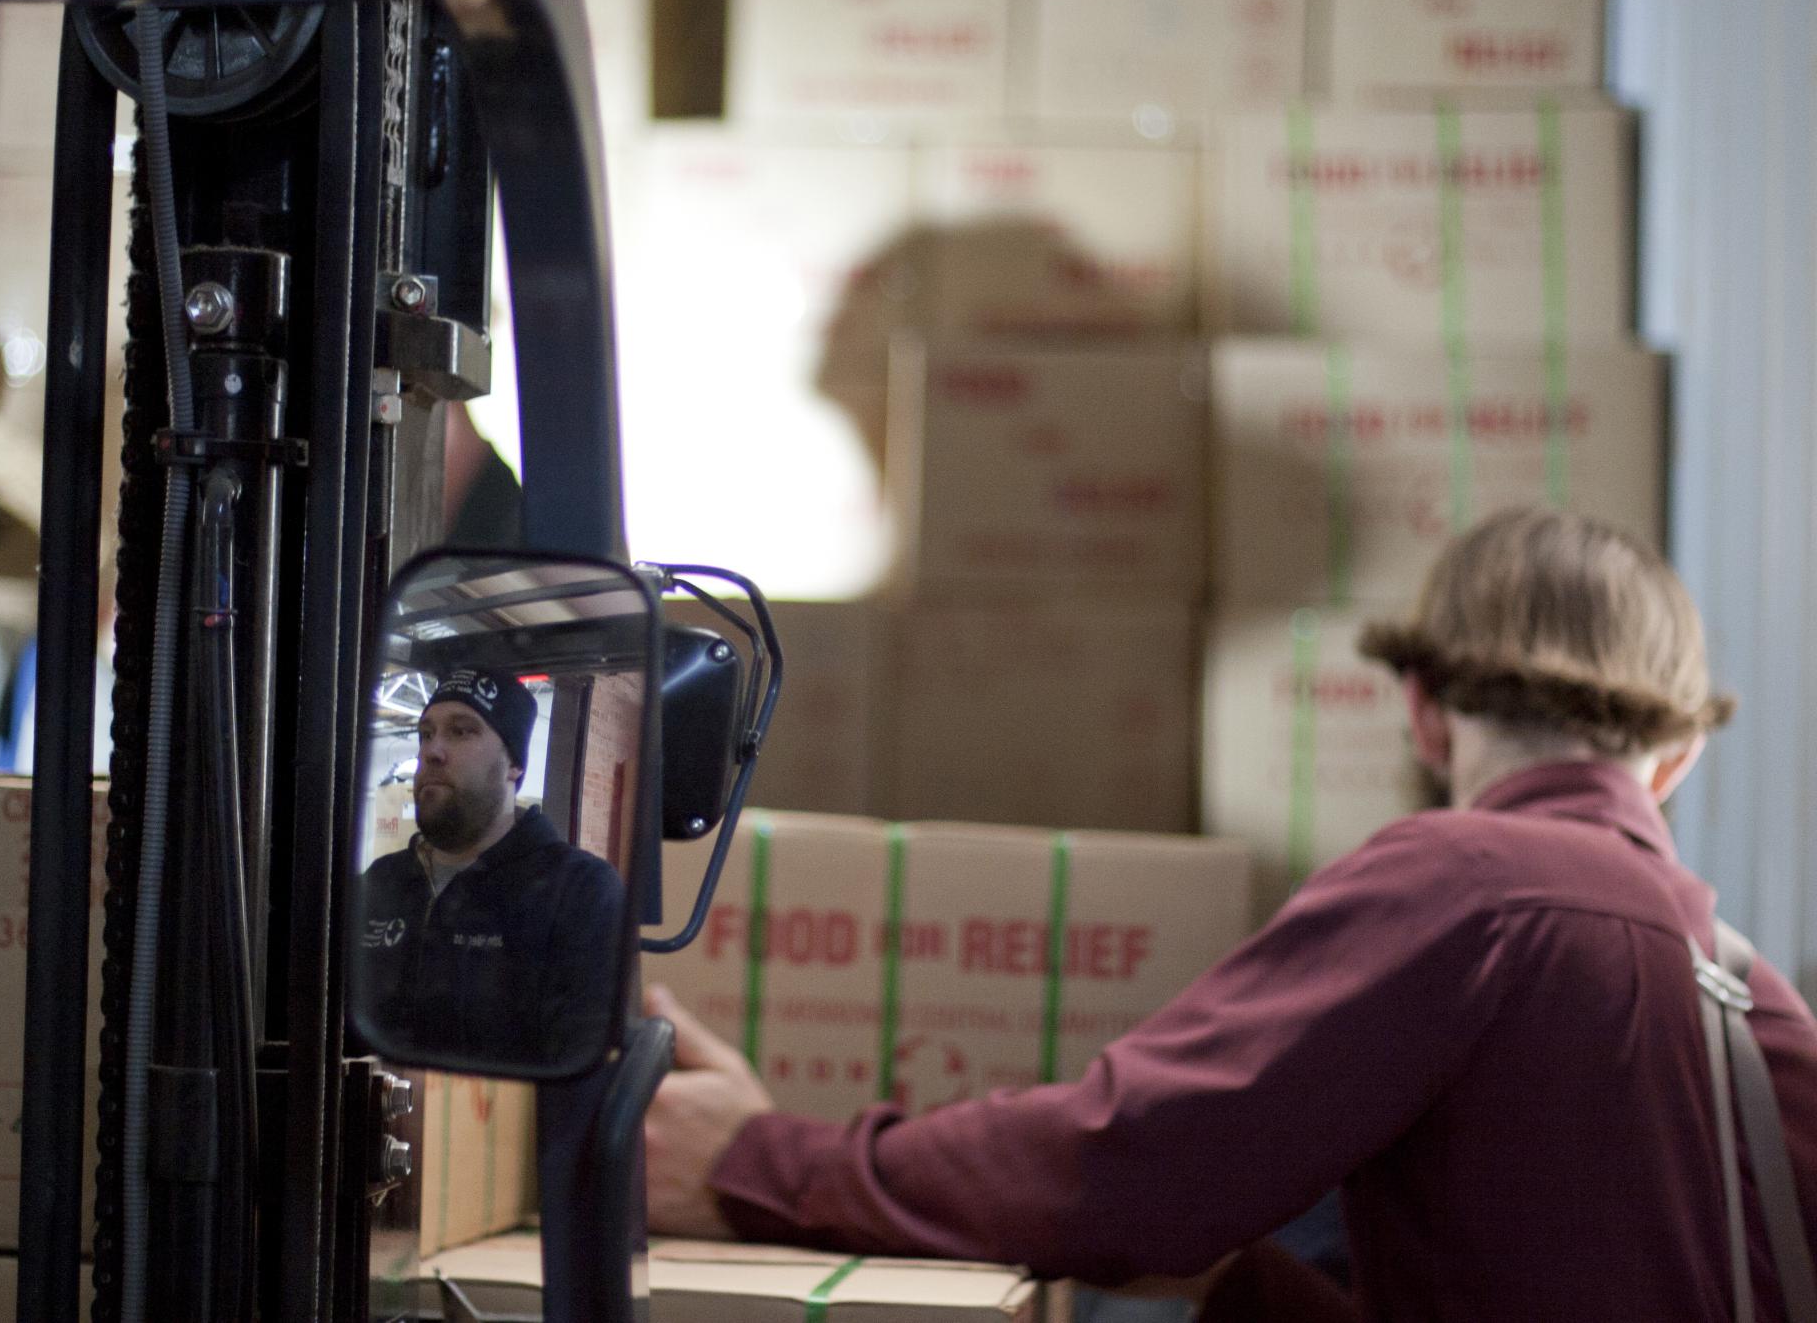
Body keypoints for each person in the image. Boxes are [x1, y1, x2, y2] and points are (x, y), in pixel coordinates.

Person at [643, 507, 1817, 1320]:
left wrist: (760, 1161)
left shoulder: (1465, 887)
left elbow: (1122, 1172)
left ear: (1421, 712)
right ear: (1675, 758)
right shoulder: (1763, 1010)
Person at [356, 667, 623, 1071]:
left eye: (462, 732)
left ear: (514, 764)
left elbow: (584, 1077)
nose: (432, 751)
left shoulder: (578, 891)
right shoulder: (378, 883)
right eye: (426, 734)